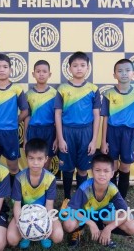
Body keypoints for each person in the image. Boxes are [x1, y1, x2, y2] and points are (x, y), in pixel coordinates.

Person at [62, 153, 134, 247]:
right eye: (98, 170)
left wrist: (109, 228)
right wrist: (90, 223)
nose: (102, 174)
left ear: (112, 173)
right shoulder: (85, 188)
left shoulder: (112, 189)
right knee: (68, 224)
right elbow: (72, 209)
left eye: (106, 171)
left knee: (133, 227)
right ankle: (79, 230)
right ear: (92, 172)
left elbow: (125, 212)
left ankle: (103, 230)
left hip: (104, 214)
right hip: (85, 214)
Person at [55, 51, 101, 209]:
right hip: (67, 132)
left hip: (86, 133)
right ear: (69, 68)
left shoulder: (93, 89)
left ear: (88, 68)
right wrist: (60, 138)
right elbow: (58, 114)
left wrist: (94, 140)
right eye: (75, 65)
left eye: (82, 65)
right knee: (67, 169)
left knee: (83, 168)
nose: (79, 68)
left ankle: (81, 199)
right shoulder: (62, 89)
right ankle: (67, 199)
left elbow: (97, 115)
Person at [100, 58, 134, 199]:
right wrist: (103, 141)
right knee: (112, 168)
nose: (124, 74)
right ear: (114, 75)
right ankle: (112, 199)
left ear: (133, 73)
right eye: (120, 71)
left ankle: (121, 201)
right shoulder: (108, 94)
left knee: (125, 167)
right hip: (112, 133)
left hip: (130, 134)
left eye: (127, 70)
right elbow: (105, 119)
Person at [0, 53, 29, 186]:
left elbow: (25, 111)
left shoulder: (17, 90)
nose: (1, 69)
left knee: (13, 166)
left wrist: (14, 121)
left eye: (5, 67)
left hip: (10, 133)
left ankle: (15, 195)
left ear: (10, 70)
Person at [7, 138, 63, 249]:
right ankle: (26, 235)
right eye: (31, 158)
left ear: (46, 159)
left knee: (58, 236)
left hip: (43, 213)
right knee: (12, 239)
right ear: (26, 158)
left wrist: (46, 225)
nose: (35, 163)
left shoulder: (50, 178)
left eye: (39, 159)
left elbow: (49, 205)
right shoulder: (19, 178)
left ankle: (43, 235)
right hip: (25, 214)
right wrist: (21, 224)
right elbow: (17, 205)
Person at [24, 60, 57, 170]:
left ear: (49, 74)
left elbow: (58, 117)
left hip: (49, 130)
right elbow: (27, 117)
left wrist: (57, 138)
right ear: (33, 74)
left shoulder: (55, 94)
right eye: (38, 71)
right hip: (33, 130)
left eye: (44, 71)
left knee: (46, 161)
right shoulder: (28, 94)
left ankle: (44, 185)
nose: (41, 74)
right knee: (33, 159)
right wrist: (25, 138)